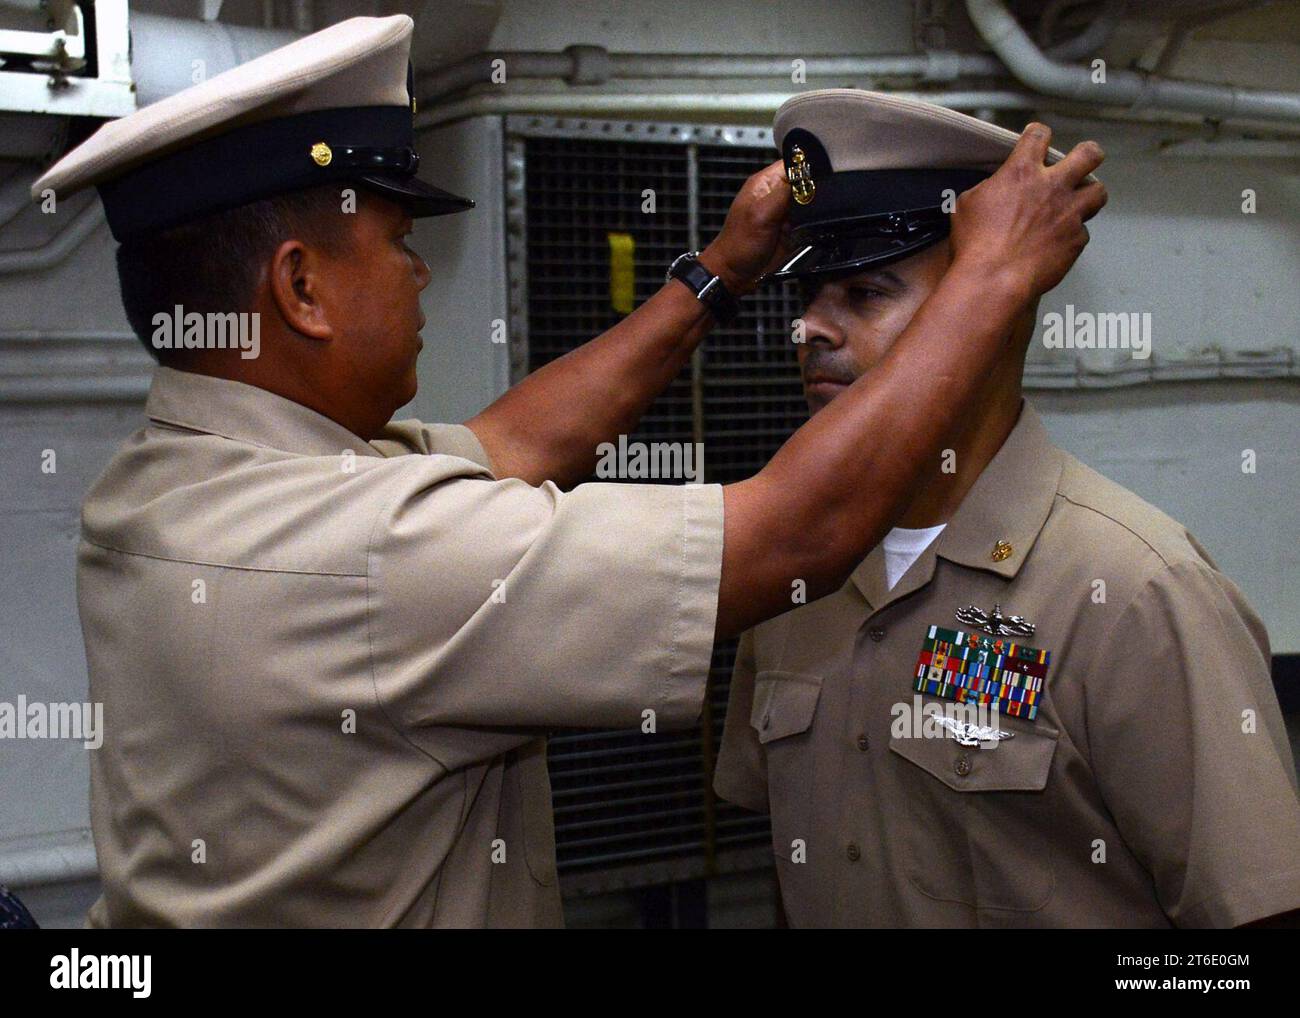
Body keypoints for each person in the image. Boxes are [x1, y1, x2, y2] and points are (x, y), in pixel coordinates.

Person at [32, 20, 1105, 926]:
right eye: (399, 240)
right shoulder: (363, 552)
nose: (416, 275)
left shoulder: (179, 480)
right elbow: (796, 533)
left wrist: (718, 272)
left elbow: (511, 447)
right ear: (301, 287)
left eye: (866, 292)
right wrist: (996, 273)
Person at [714, 87, 1300, 928]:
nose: (812, 330)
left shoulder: (1133, 591)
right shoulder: (795, 573)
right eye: (808, 298)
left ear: (992, 309)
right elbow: (792, 864)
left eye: (868, 292)